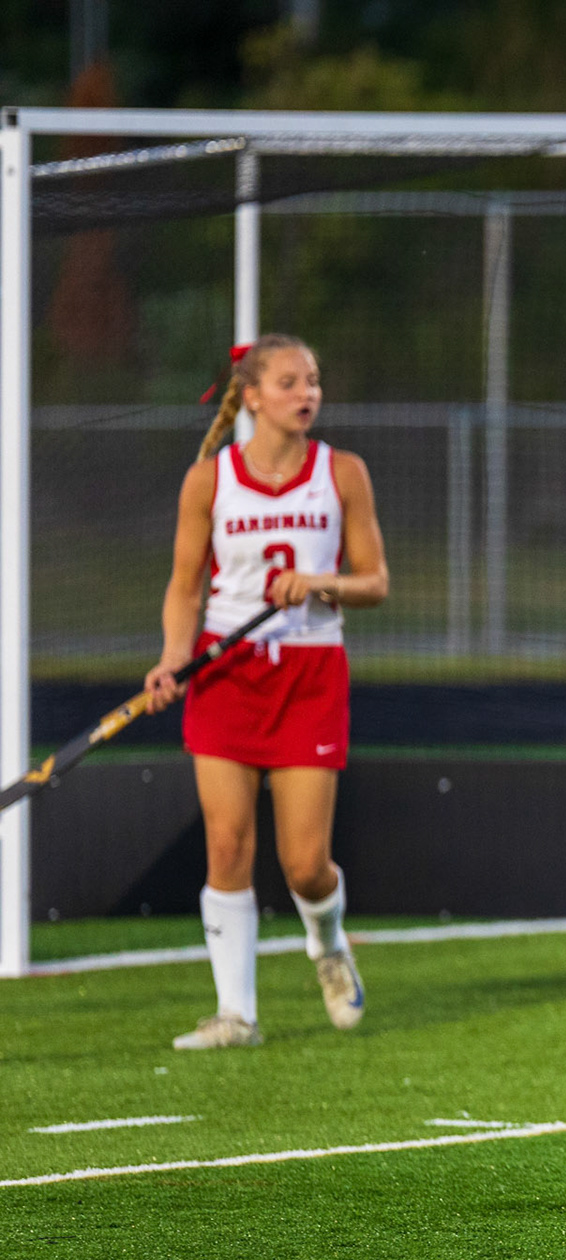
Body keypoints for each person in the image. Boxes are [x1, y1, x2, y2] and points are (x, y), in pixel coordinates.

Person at [145, 334, 390, 1049]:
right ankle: (236, 1014)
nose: (306, 394)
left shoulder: (342, 473)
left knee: (305, 865)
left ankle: (328, 945)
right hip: (227, 673)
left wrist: (321, 583)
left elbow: (375, 582)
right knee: (227, 843)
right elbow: (185, 587)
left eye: (312, 381)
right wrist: (173, 658)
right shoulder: (208, 480)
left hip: (310, 674)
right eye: (288, 382)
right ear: (251, 396)